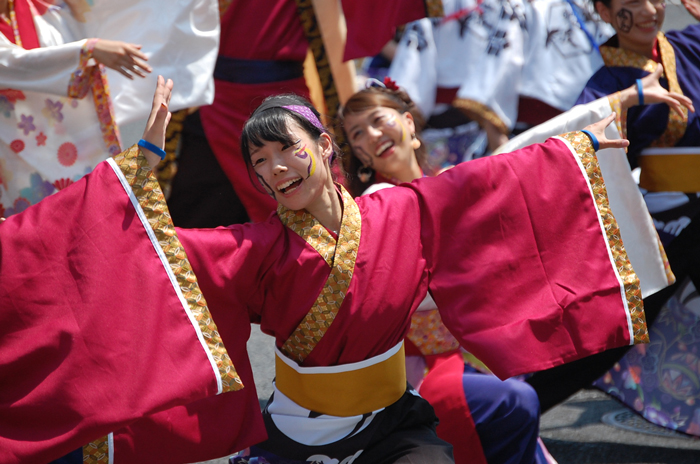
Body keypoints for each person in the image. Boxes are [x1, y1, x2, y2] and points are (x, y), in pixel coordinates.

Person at [1, 74, 660, 463]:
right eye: (257, 164)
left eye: (282, 152)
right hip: (295, 433)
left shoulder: (405, 210)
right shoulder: (254, 248)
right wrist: (142, 156)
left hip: (395, 418)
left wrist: (583, 148)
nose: (272, 171)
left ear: (323, 146)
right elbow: (144, 254)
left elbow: (501, 178)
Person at [340, 82, 556, 464]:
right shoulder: (375, 205)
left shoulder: (448, 179)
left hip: (477, 349)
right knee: (516, 403)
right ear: (359, 154)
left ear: (408, 122)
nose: (372, 136)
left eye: (378, 121)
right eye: (358, 134)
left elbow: (521, 163)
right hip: (418, 365)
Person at [517, 0, 700, 434]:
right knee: (614, 329)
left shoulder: (689, 44)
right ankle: (508, 410)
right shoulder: (608, 82)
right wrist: (628, 101)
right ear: (603, 11)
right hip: (664, 221)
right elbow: (577, 148)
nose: (650, 10)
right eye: (631, 2)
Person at [0, 0, 151, 217]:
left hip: (61, 144)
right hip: (11, 157)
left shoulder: (42, 8)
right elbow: (15, 64)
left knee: (83, 217)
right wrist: (88, 50)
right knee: (27, 230)